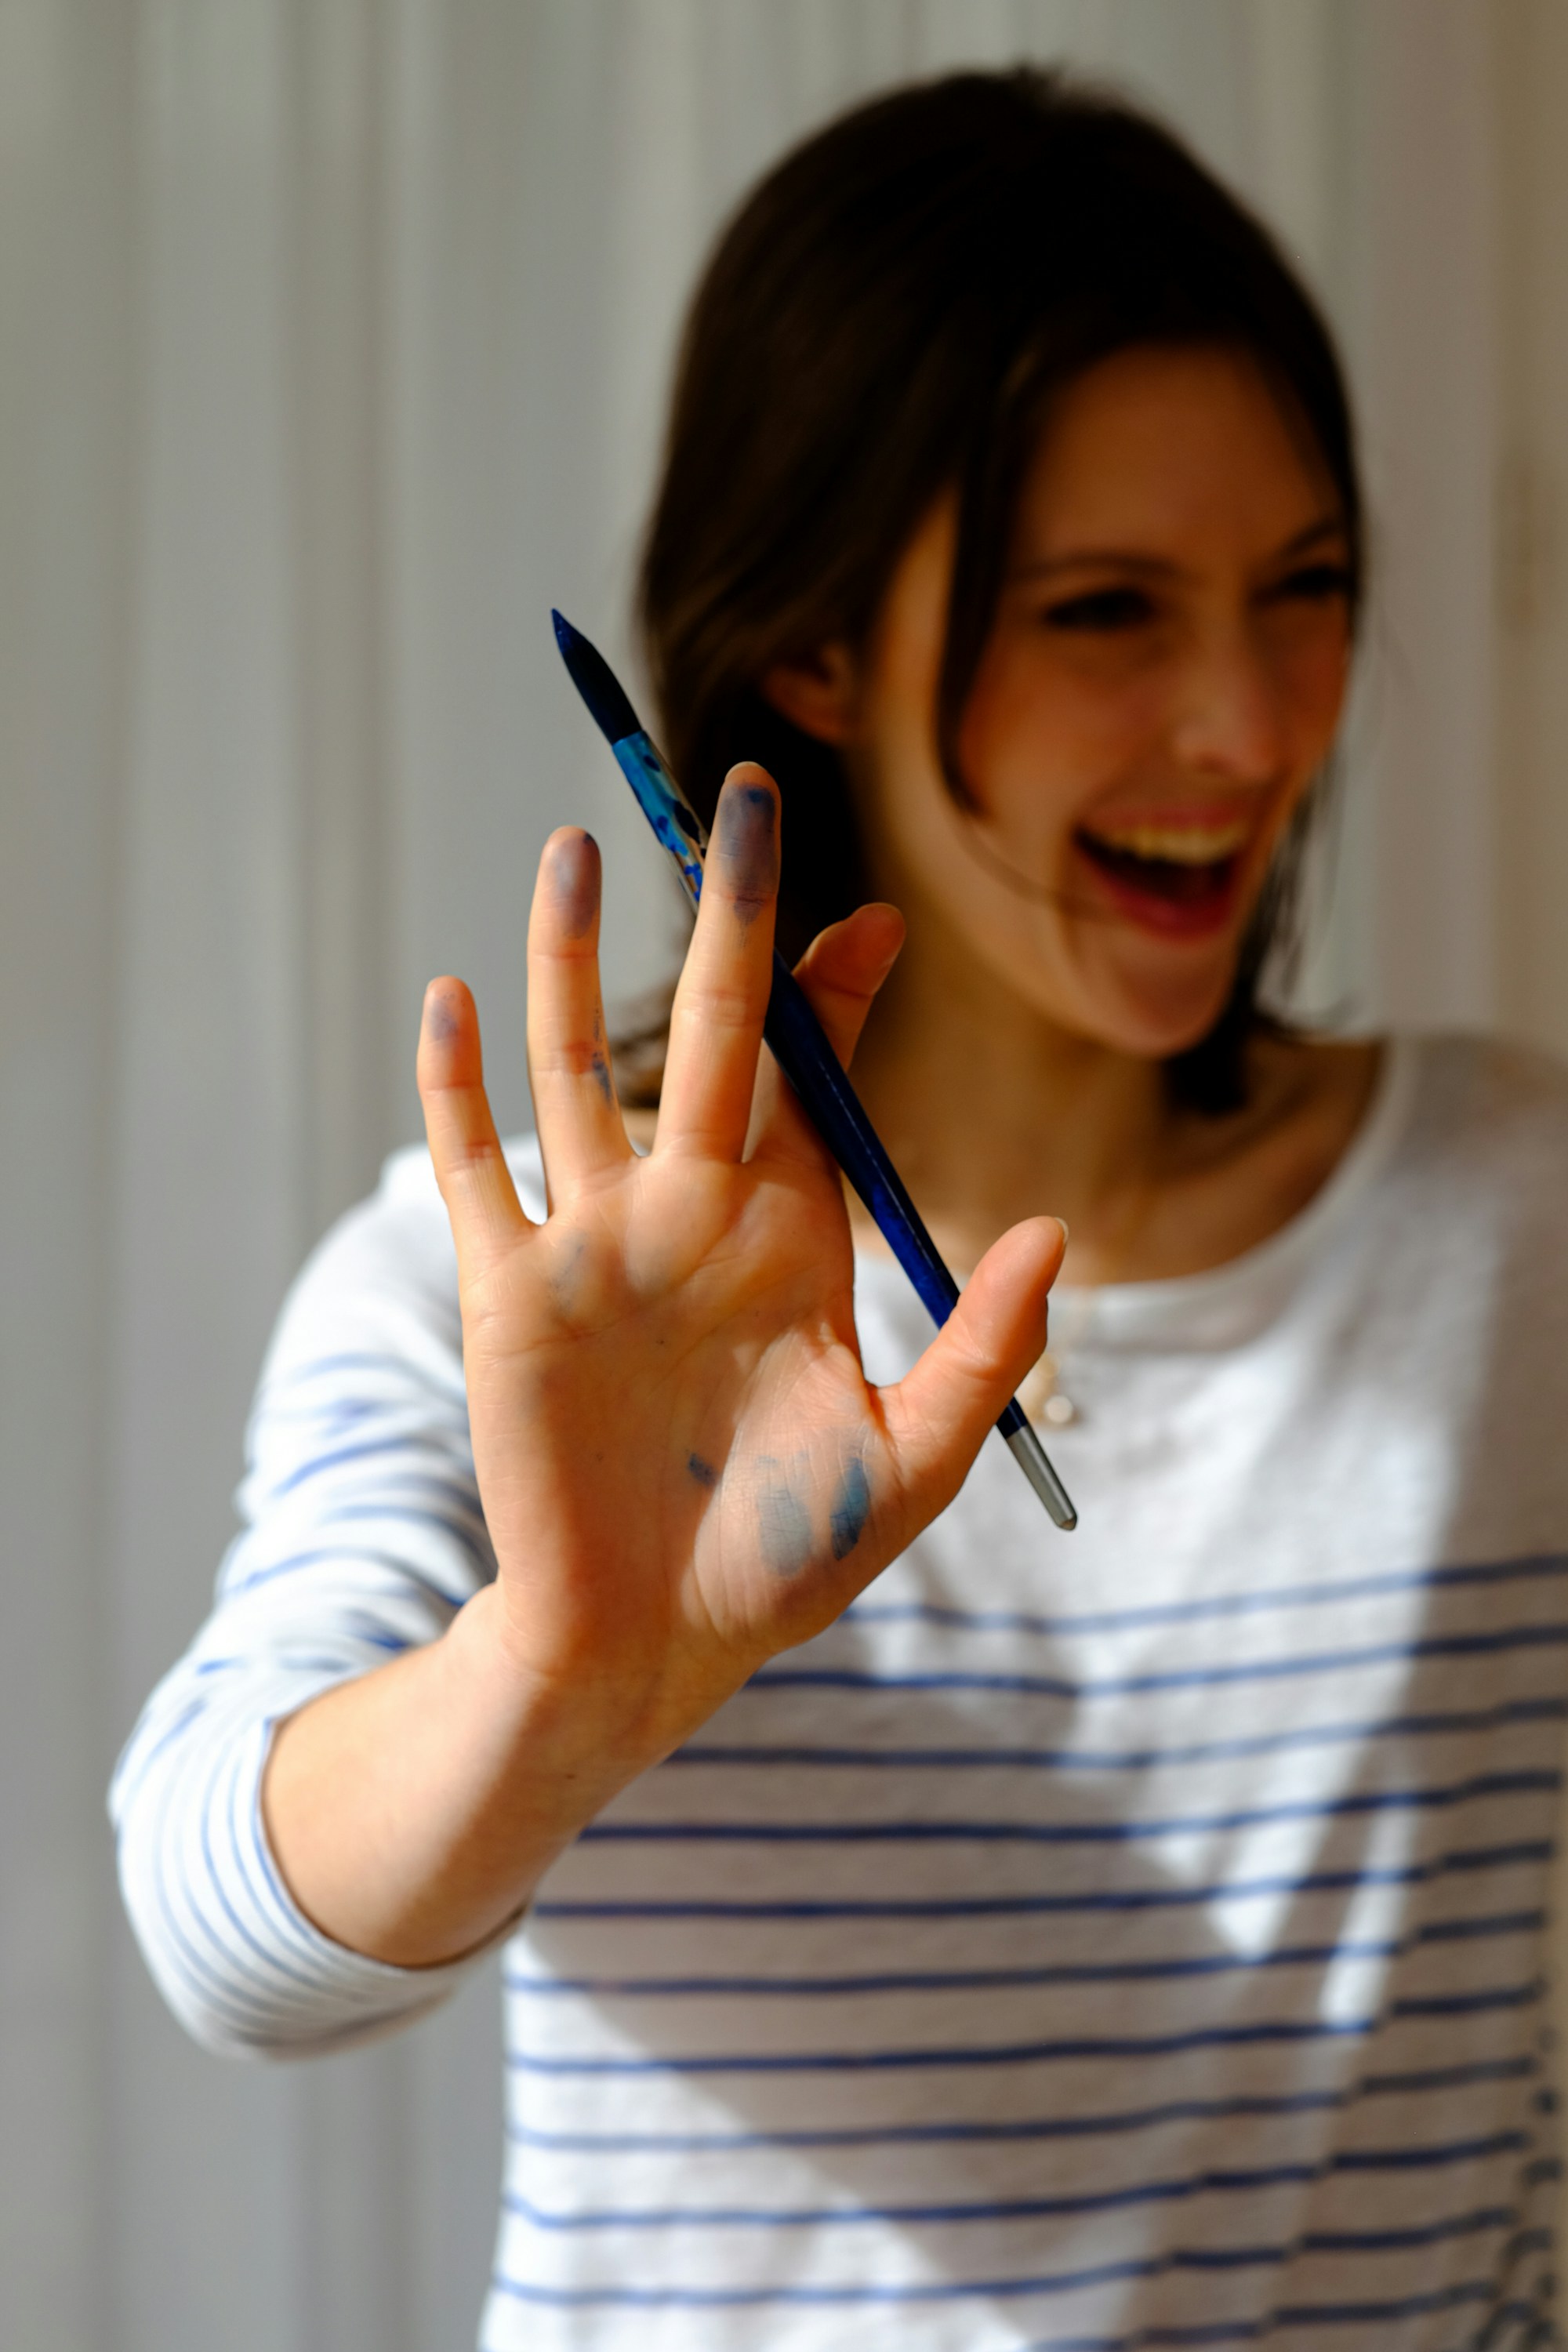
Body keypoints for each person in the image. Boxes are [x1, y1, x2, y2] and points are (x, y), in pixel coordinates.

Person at [113, 66, 1568, 2352]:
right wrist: (566, 1685)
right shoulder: (501, 1292)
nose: (1247, 721)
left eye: (1306, 590)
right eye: (1104, 611)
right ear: (812, 655)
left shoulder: (1519, 1229)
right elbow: (221, 1939)